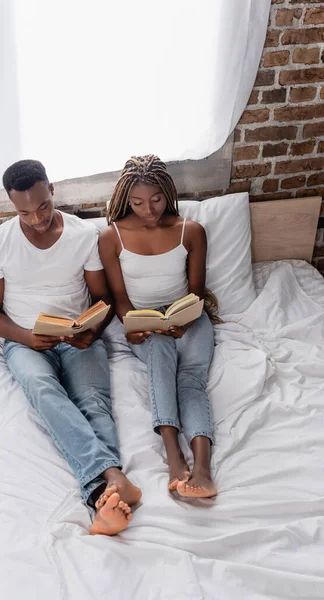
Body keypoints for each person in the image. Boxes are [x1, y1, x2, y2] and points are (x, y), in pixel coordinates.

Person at [0, 159, 141, 535]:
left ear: (53, 189)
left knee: (93, 401)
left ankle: (104, 494)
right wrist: (27, 337)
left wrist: (92, 331)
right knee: (43, 389)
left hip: (78, 334)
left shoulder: (83, 235)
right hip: (26, 341)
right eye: (25, 212)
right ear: (11, 205)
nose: (37, 219)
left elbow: (103, 299)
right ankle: (110, 481)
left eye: (43, 206)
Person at [99, 155, 218, 498]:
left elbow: (196, 291)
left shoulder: (190, 231)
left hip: (188, 315)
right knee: (160, 357)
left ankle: (203, 469)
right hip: (144, 320)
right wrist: (131, 325)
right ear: (125, 199)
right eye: (137, 202)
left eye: (156, 200)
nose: (148, 210)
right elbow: (120, 297)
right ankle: (173, 455)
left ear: (168, 194)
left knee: (191, 381)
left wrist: (185, 318)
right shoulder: (112, 237)